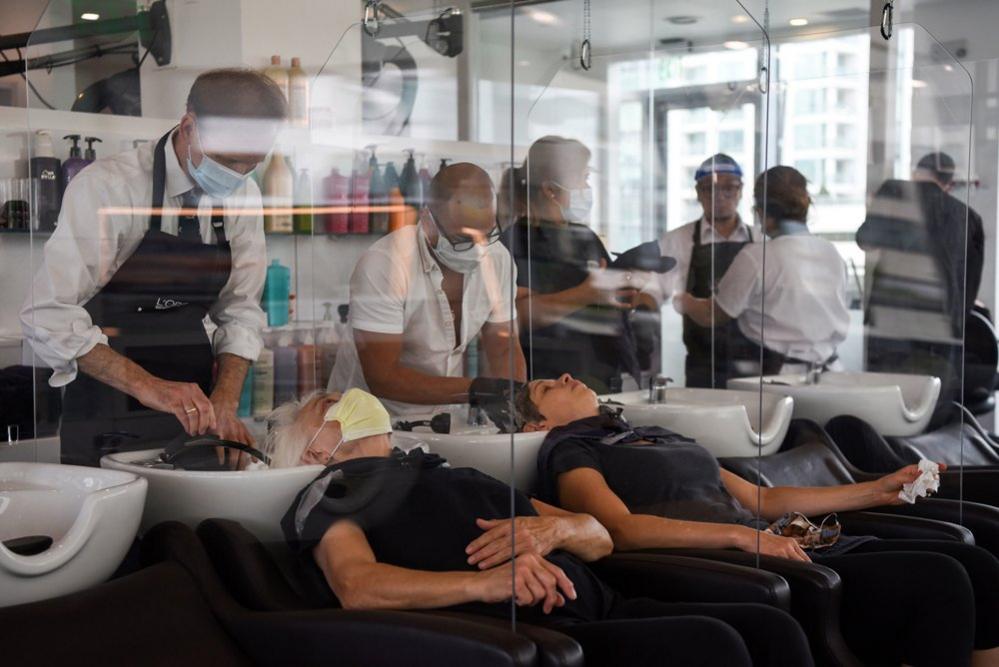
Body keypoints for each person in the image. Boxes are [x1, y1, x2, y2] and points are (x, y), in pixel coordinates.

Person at [275, 388, 813, 667]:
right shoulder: (331, 490)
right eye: (333, 404)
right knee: (711, 643)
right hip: (537, 636)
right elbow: (357, 586)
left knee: (775, 627)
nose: (349, 400)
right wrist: (485, 583)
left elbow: (599, 536)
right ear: (315, 446)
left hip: (607, 603)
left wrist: (556, 532)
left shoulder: (446, 471)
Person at [517, 373, 999, 667]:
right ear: (537, 426)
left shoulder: (650, 433)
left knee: (976, 564)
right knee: (942, 578)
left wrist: (876, 490)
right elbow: (619, 529)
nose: (564, 377)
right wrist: (740, 536)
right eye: (546, 387)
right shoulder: (570, 450)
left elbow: (761, 497)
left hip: (786, 541)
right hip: (744, 564)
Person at [20, 69, 286, 466]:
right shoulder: (109, 188)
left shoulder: (242, 196)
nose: (238, 176)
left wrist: (225, 403)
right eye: (229, 161)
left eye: (251, 165)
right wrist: (150, 387)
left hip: (195, 420)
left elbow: (240, 313)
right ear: (189, 126)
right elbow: (46, 313)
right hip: (104, 415)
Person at [329, 163, 526, 426]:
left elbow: (503, 347)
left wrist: (518, 404)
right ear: (427, 220)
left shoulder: (498, 259)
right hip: (370, 422)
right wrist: (477, 390)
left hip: (446, 420)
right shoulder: (386, 263)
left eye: (486, 235)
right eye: (462, 239)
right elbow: (383, 376)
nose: (478, 250)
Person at [500, 136, 643, 394]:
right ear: (550, 190)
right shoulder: (515, 243)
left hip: (602, 379)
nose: (587, 188)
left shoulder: (583, 236)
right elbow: (519, 316)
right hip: (552, 386)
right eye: (582, 179)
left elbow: (604, 290)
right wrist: (586, 294)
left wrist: (623, 293)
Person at [674, 166, 849, 376]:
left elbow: (713, 315)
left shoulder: (758, 256)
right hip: (830, 374)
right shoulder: (831, 253)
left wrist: (685, 301)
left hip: (780, 378)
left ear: (762, 210)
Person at [644, 154, 761, 388]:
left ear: (741, 191)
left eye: (729, 188)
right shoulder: (676, 241)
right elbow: (652, 292)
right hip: (702, 366)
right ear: (698, 193)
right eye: (710, 189)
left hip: (757, 365)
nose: (720, 196)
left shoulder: (760, 241)